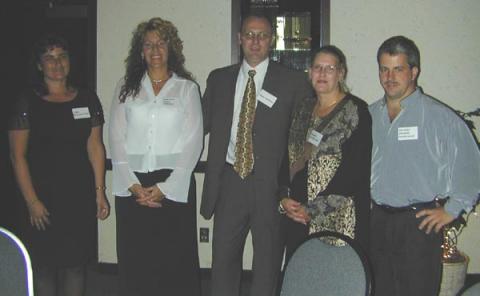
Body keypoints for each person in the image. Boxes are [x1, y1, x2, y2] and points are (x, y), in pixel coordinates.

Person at [200, 14, 312, 296]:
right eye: (249, 34)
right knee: (223, 260)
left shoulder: (293, 82)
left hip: (271, 188)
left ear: (272, 41)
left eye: (262, 36)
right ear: (239, 38)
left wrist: (291, 187)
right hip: (229, 182)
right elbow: (197, 126)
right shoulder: (219, 79)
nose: (255, 41)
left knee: (268, 262)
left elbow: (300, 141)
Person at [369, 35, 480, 296]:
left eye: (398, 69)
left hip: (418, 224)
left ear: (414, 71)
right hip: (378, 222)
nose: (389, 76)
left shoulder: (440, 117)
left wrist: (452, 210)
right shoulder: (370, 115)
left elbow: (472, 168)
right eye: (384, 69)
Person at [8, 34, 110, 296]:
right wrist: (32, 201)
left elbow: (95, 146)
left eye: (62, 56)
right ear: (39, 65)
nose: (57, 63)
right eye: (49, 58)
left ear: (70, 61)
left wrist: (100, 193)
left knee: (75, 266)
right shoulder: (26, 102)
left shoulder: (87, 99)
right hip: (41, 197)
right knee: (43, 267)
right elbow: (17, 156)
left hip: (78, 196)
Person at [109, 17, 202, 296]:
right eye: (148, 44)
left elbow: (193, 142)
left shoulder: (187, 88)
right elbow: (115, 137)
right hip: (132, 185)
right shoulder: (126, 86)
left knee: (174, 263)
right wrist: (132, 185)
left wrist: (165, 188)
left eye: (161, 43)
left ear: (171, 48)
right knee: (136, 261)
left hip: (173, 184)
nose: (155, 49)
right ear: (141, 51)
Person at [281, 45, 372, 260]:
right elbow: (286, 158)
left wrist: (312, 209)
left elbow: (354, 171)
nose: (322, 74)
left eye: (329, 68)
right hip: (298, 214)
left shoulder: (356, 110)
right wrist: (283, 197)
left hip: (337, 217)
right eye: (317, 67)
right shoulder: (303, 108)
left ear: (341, 73)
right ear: (310, 72)